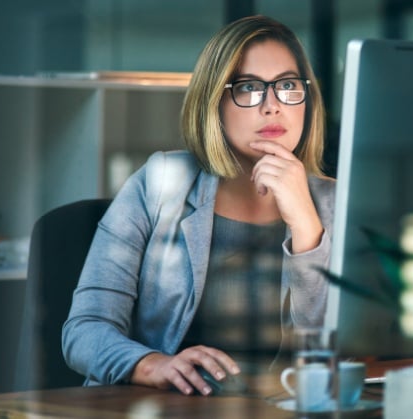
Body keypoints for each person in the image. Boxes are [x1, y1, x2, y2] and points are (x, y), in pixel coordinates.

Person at [61, 15, 334, 396]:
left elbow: (342, 352)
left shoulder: (335, 204)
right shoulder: (160, 182)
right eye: (249, 87)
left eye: (287, 85)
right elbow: (84, 331)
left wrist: (308, 229)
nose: (273, 105)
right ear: (214, 100)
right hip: (162, 407)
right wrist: (154, 364)